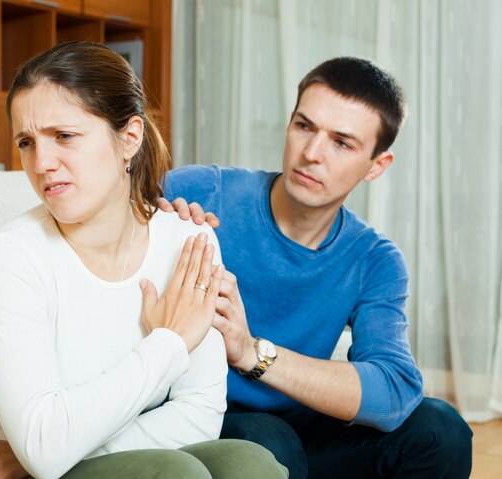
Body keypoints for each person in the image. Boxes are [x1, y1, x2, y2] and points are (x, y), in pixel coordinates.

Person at [0, 41, 287, 479]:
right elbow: (44, 446)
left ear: (129, 138)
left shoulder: (189, 240)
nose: (41, 163)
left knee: (250, 464)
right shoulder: (8, 256)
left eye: (64, 136)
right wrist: (169, 343)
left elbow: (200, 411)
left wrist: (52, 451)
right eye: (26, 142)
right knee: (174, 474)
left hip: (38, 466)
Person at [159, 57, 473, 478]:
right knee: (270, 443)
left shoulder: (374, 258)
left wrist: (253, 352)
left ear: (376, 166)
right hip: (197, 421)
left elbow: (394, 389)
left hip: (298, 425)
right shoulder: (200, 191)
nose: (311, 154)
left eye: (342, 143)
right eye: (304, 126)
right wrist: (150, 229)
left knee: (441, 430)